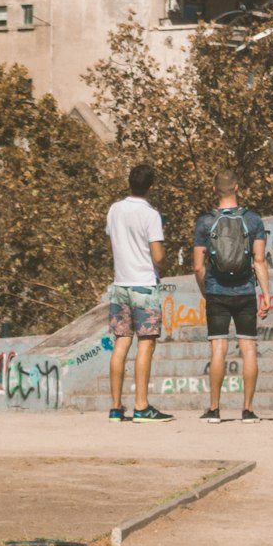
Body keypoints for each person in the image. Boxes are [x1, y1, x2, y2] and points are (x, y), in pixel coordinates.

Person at [193, 170, 271, 423]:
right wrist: (266, 294)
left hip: (217, 291)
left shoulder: (205, 222)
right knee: (248, 348)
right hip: (246, 291)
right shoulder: (253, 220)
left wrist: (207, 290)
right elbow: (259, 260)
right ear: (236, 187)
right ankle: (247, 410)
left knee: (218, 348)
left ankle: (214, 409)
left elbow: (197, 266)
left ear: (215, 190)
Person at [105, 163, 174, 422]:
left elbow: (111, 241)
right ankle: (142, 406)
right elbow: (157, 254)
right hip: (143, 284)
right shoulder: (150, 215)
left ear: (129, 183)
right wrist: (162, 264)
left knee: (121, 342)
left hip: (120, 284)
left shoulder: (115, 209)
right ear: (150, 186)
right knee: (146, 344)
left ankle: (115, 406)